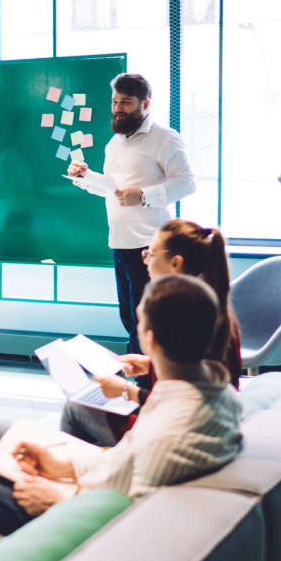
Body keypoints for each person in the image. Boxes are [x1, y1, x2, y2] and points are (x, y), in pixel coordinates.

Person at [0, 274, 241, 540]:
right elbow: (123, 458)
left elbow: (130, 518)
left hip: (75, 521)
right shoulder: (209, 391)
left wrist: (58, 498)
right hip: (90, 488)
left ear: (149, 340)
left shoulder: (167, 430)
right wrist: (62, 467)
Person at [63, 218, 242, 447]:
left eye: (151, 253)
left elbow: (183, 404)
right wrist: (150, 363)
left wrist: (127, 391)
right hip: (193, 425)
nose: (145, 260)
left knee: (75, 409)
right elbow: (196, 373)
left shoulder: (182, 314)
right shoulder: (208, 305)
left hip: (172, 431)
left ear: (175, 263)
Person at [68, 73, 196, 377]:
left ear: (145, 104)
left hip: (150, 248)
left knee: (148, 325)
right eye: (114, 102)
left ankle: (148, 390)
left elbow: (187, 183)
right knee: (130, 321)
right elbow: (115, 189)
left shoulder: (164, 137)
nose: (117, 108)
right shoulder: (115, 143)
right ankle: (138, 388)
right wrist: (85, 177)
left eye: (125, 102)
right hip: (120, 244)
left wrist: (144, 196)